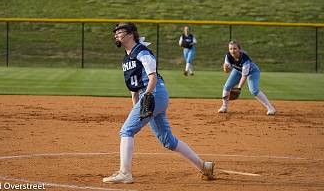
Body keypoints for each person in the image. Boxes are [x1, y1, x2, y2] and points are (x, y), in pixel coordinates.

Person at [103, 23, 215, 184]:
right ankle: (204, 166)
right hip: (151, 96)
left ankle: (125, 173)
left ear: (130, 34)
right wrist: (136, 103)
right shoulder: (127, 58)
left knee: (126, 131)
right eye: (116, 32)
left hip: (153, 93)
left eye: (120, 32)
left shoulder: (142, 52)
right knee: (167, 140)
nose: (116, 35)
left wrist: (147, 96)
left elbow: (153, 76)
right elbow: (133, 87)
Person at [218, 40, 277, 115]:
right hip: (237, 70)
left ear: (239, 49)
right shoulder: (228, 56)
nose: (232, 50)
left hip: (252, 72)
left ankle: (271, 108)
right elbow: (226, 71)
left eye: (235, 48)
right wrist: (225, 68)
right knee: (227, 86)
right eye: (231, 49)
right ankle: (224, 107)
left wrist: (239, 88)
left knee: (254, 91)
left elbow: (244, 75)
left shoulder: (244, 58)